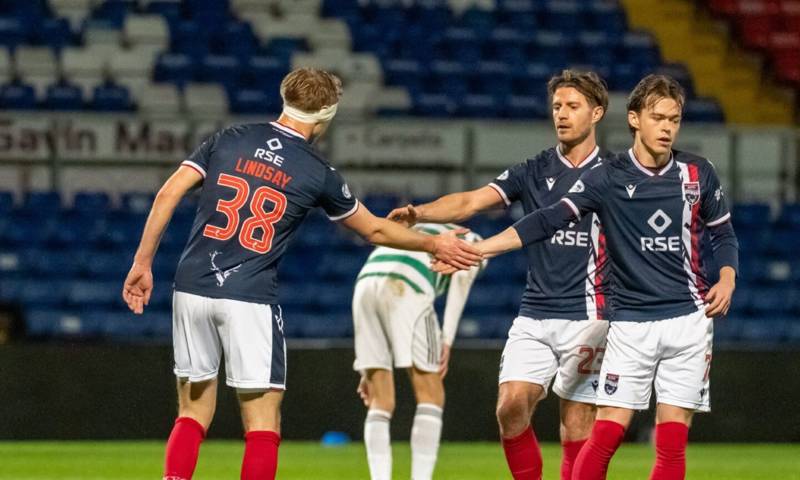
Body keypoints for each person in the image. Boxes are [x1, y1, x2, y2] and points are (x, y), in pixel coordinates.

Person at [121, 68, 481, 480]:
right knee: (262, 422)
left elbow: (168, 192)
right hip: (249, 296)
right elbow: (376, 229)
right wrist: (435, 243)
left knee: (192, 411)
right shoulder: (317, 171)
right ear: (327, 115)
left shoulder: (229, 138)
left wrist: (142, 263)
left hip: (191, 288)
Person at [459, 74, 738, 480]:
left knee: (672, 444)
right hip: (629, 324)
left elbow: (723, 233)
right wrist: (483, 247)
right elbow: (547, 220)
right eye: (657, 118)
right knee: (605, 435)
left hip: (690, 320)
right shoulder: (608, 176)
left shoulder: (698, 172)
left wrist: (727, 277)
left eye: (674, 120)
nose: (666, 128)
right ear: (634, 119)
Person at [388, 70, 611, 480]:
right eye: (557, 106)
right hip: (535, 314)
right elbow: (472, 200)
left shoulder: (615, 175)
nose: (561, 114)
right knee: (509, 407)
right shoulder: (534, 169)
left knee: (577, 423)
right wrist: (421, 213)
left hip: (591, 316)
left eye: (573, 107)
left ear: (596, 113)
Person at [353, 223, 486, 480]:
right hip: (407, 285)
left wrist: (368, 369)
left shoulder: (419, 225)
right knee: (431, 393)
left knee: (380, 400)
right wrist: (446, 339)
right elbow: (461, 279)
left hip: (365, 283)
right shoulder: (472, 238)